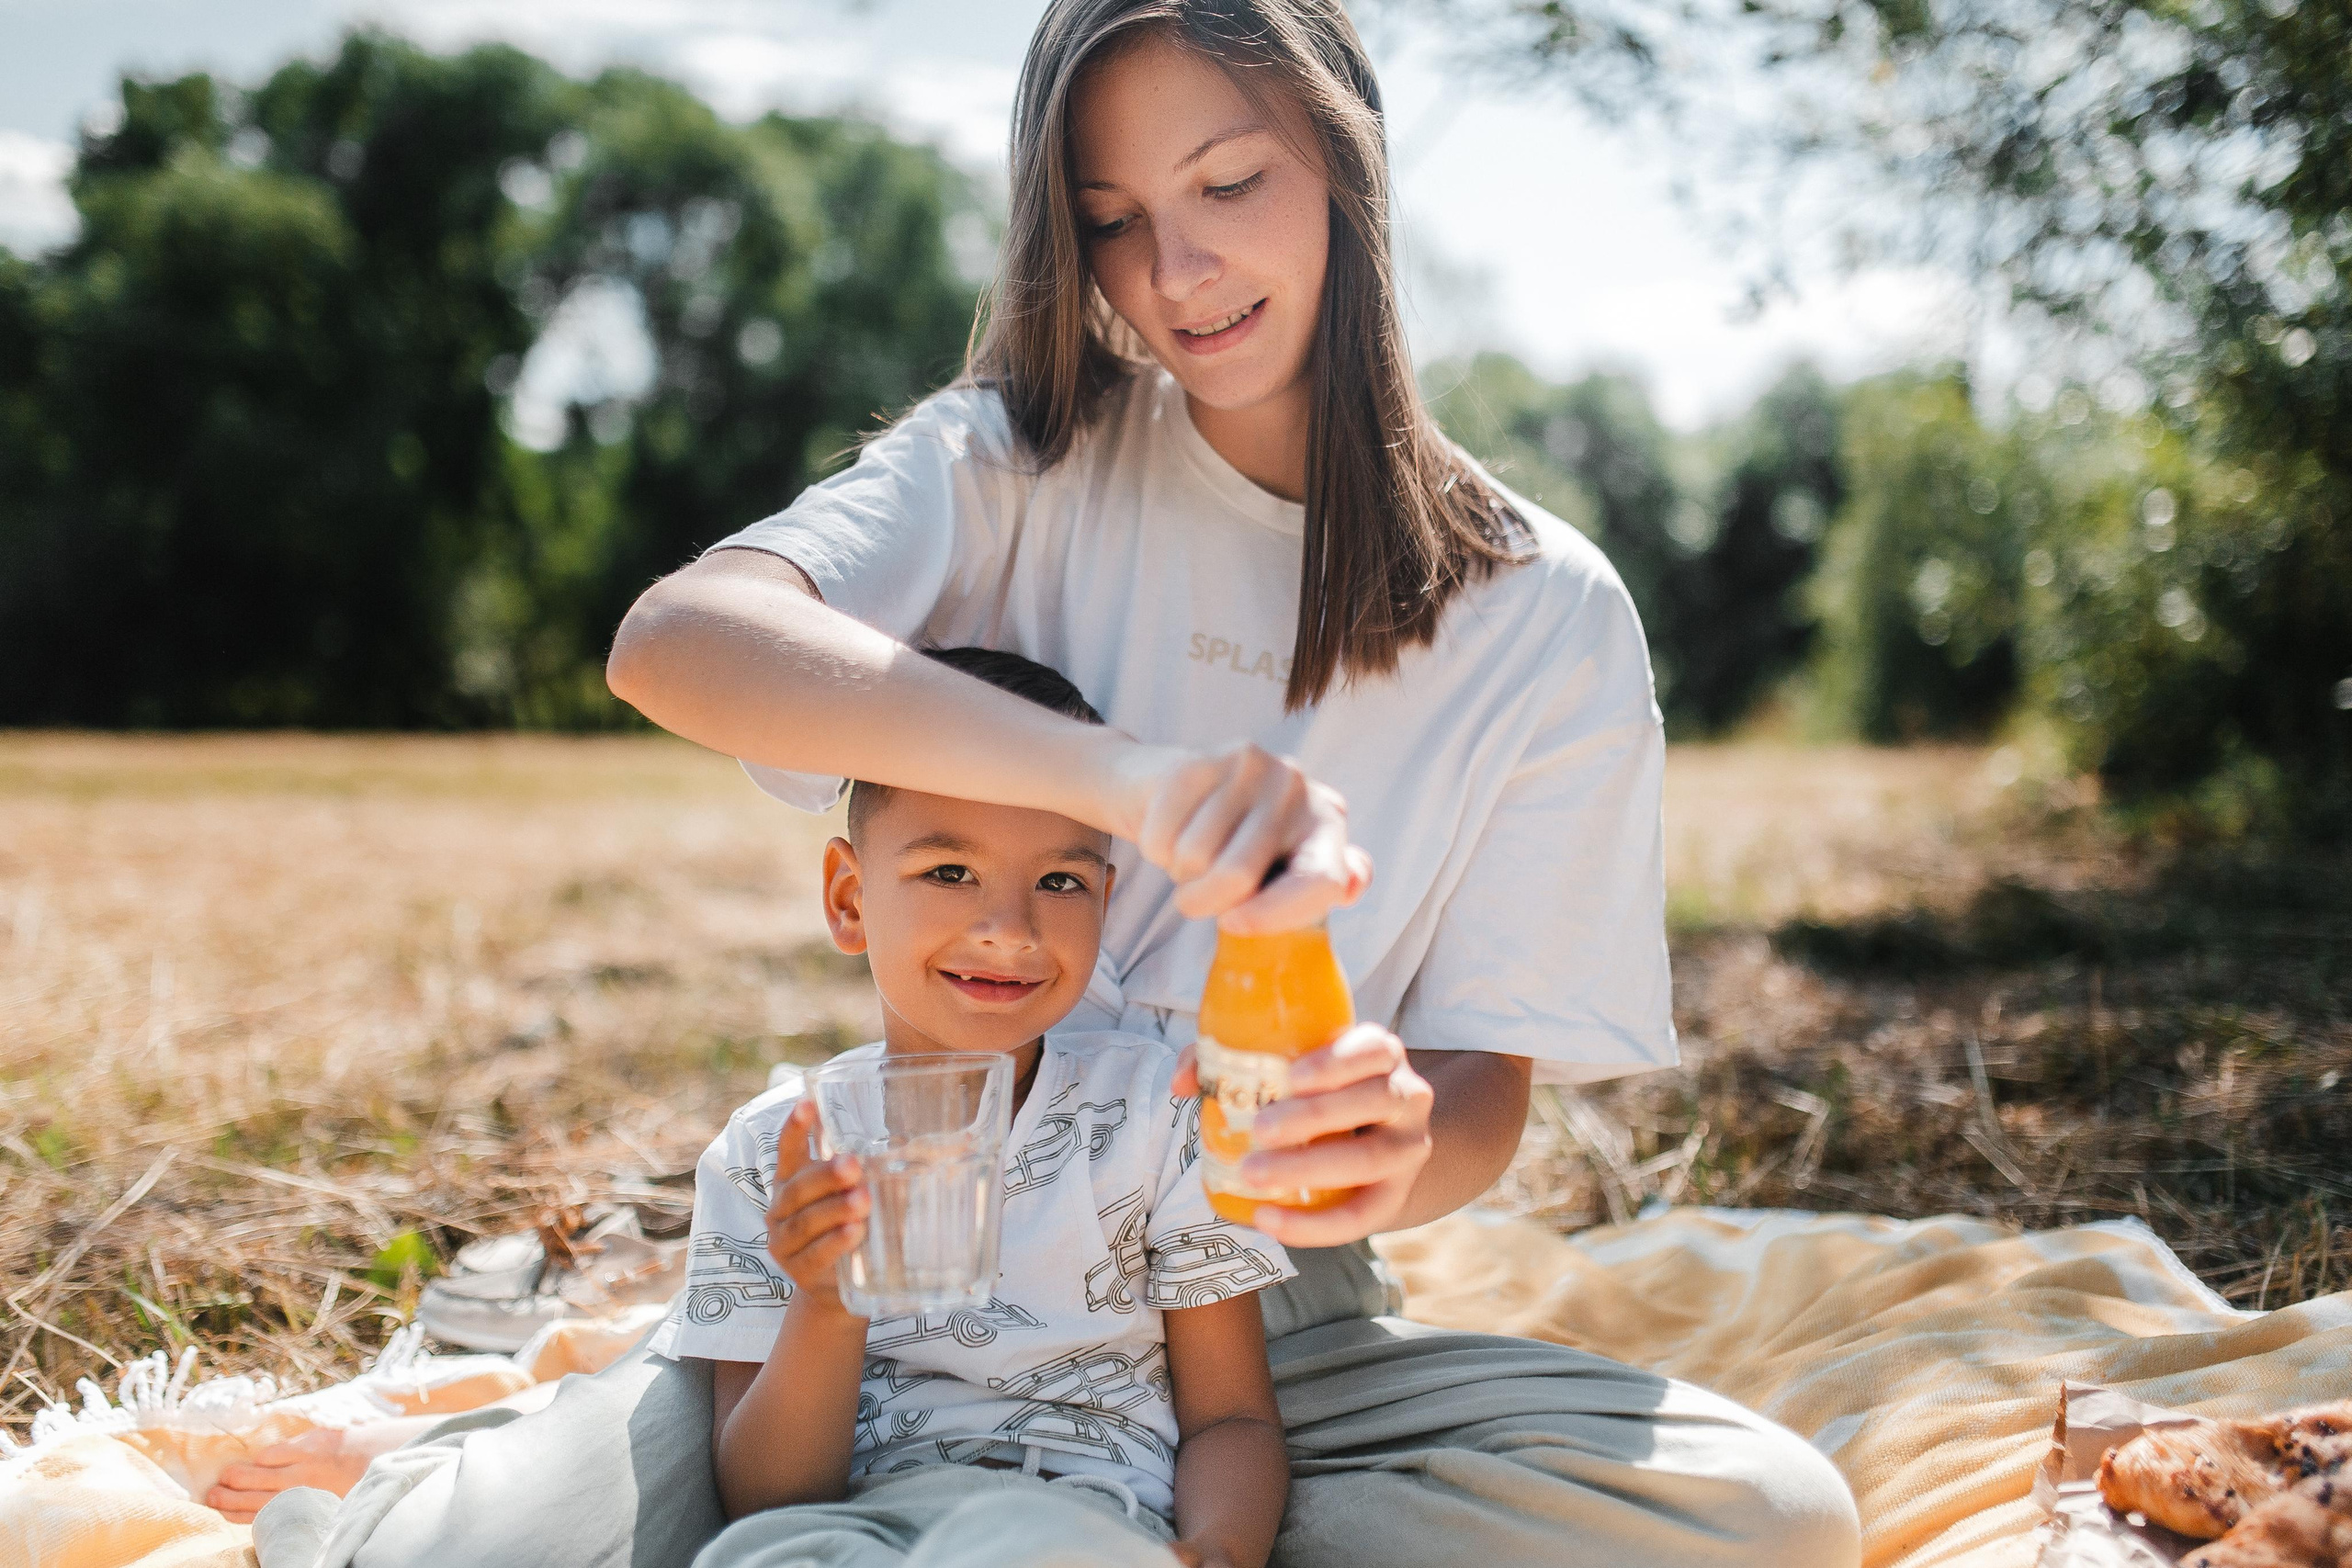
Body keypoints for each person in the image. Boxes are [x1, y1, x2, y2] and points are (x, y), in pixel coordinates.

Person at [254, 0, 1864, 1562]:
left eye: (1230, 183)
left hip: (1251, 1314)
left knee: (1768, 1514)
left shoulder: (1545, 611)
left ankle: (1074, 1531)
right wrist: (1128, 782)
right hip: (890, 1274)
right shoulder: (1018, 454)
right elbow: (679, 641)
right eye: (1112, 220)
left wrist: (1385, 1151)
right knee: (472, 1551)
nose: (1177, 273)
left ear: (1348, 158)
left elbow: (1480, 1096)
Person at [667, 645, 1293, 1568]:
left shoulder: (1157, 1117)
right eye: (949, 872)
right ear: (849, 898)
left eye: (1059, 881)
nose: (1010, 928)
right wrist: (829, 1303)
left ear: (1104, 900)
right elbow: (765, 1497)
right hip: (866, 1531)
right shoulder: (775, 1154)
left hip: (1089, 1526)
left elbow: (1233, 1416)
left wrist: (1218, 1552)